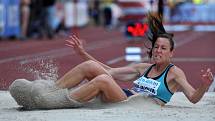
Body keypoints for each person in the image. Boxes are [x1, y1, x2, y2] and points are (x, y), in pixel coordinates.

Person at [9, 13, 214, 109]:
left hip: (134, 105)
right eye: (156, 47)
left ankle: (49, 102)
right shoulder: (144, 67)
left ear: (171, 53)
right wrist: (83, 53)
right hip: (123, 96)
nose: (158, 51)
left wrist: (204, 85)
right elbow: (108, 70)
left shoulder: (174, 72)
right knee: (93, 69)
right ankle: (49, 91)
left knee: (103, 81)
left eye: (163, 48)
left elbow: (193, 98)